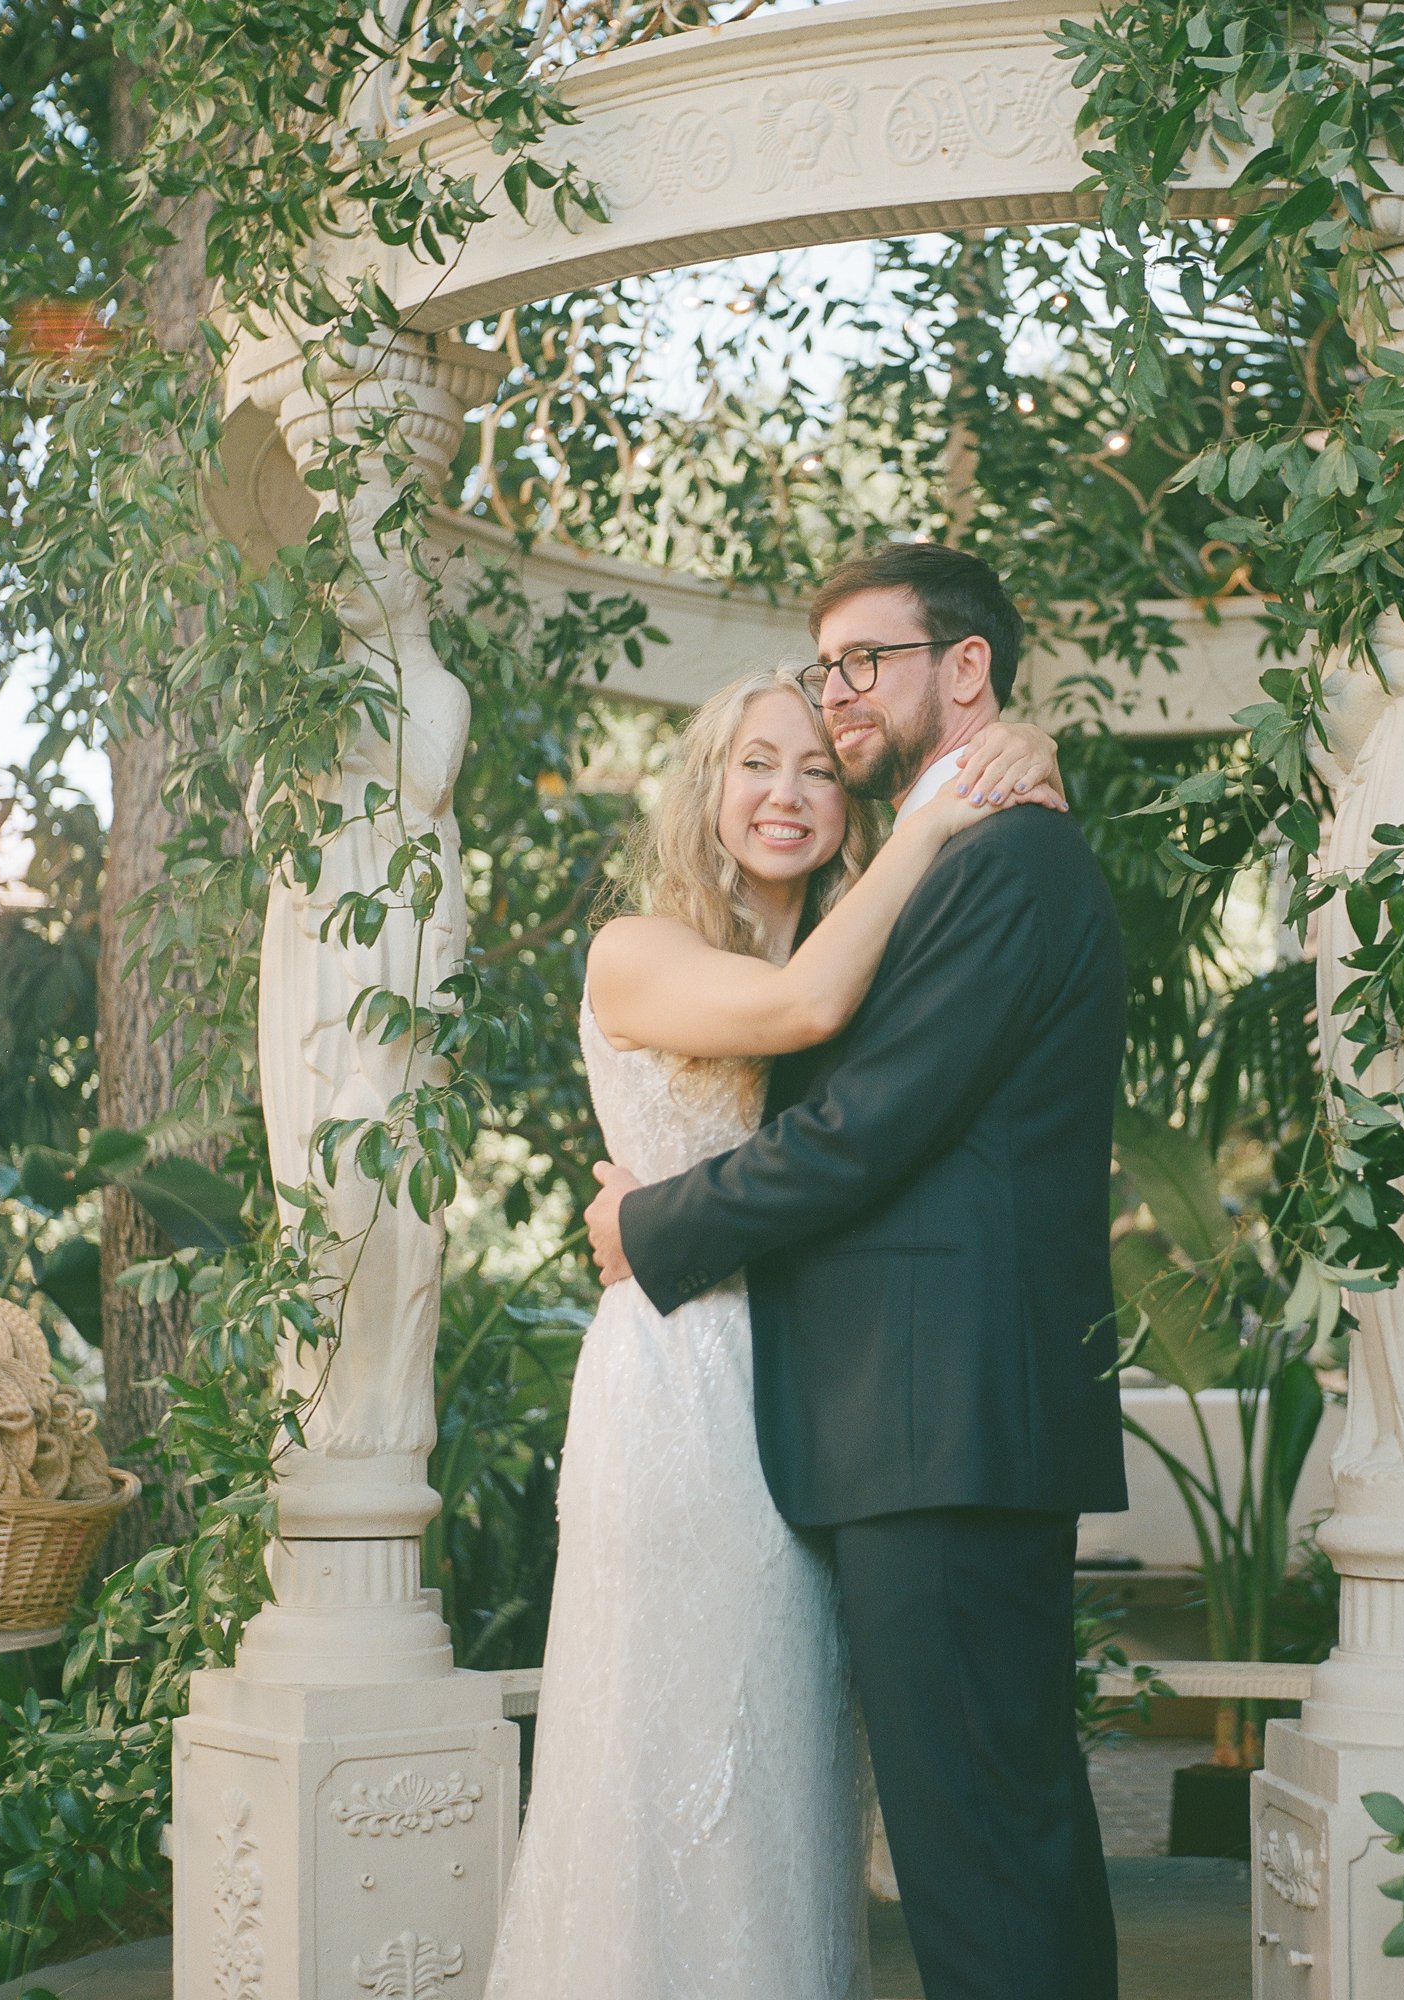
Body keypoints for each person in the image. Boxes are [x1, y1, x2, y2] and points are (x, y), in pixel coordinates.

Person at [586, 543, 1129, 2000]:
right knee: (991, 1831)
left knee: (980, 1850)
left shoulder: (1003, 866)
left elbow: (863, 1133)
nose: (834, 703)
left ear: (965, 671)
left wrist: (653, 1228)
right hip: (897, 1425)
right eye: (820, 668)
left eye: (862, 666)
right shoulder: (932, 870)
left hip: (940, 1419)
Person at [485, 657, 1068, 2000]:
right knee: (668, 1729)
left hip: (819, 1391)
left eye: (817, 766)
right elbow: (797, 1012)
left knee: (791, 1739)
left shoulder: (862, 945)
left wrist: (1013, 752)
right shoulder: (638, 946)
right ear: (705, 787)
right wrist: (938, 810)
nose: (788, 791)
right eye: (757, 762)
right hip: (676, 1379)